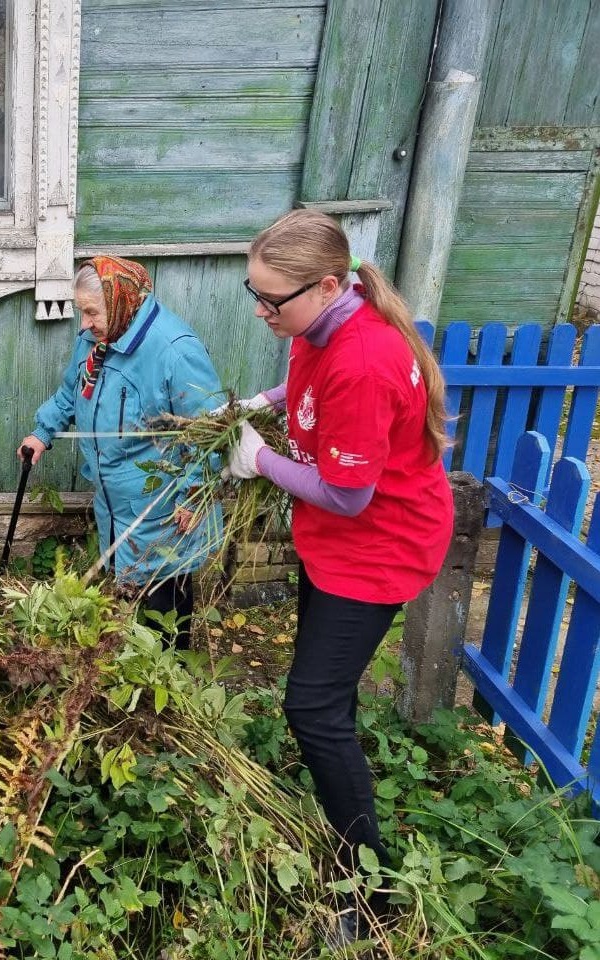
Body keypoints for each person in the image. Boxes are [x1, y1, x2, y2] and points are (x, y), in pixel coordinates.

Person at [223, 210, 454, 944]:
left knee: (312, 710)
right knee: (325, 696)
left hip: (377, 545)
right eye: (253, 294)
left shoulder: (364, 358)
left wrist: (259, 460)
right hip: (336, 544)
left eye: (272, 300)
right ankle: (343, 796)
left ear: (328, 285)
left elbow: (348, 493)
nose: (261, 311)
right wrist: (260, 406)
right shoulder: (318, 327)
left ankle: (373, 889)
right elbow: (306, 389)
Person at [18, 256, 224, 649]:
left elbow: (209, 431)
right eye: (82, 312)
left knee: (164, 611)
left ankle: (171, 683)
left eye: (91, 312)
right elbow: (71, 391)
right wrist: (43, 432)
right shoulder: (97, 338)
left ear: (120, 300)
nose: (84, 324)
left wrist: (194, 494)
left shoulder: (174, 351)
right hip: (115, 502)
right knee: (128, 600)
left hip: (163, 508)